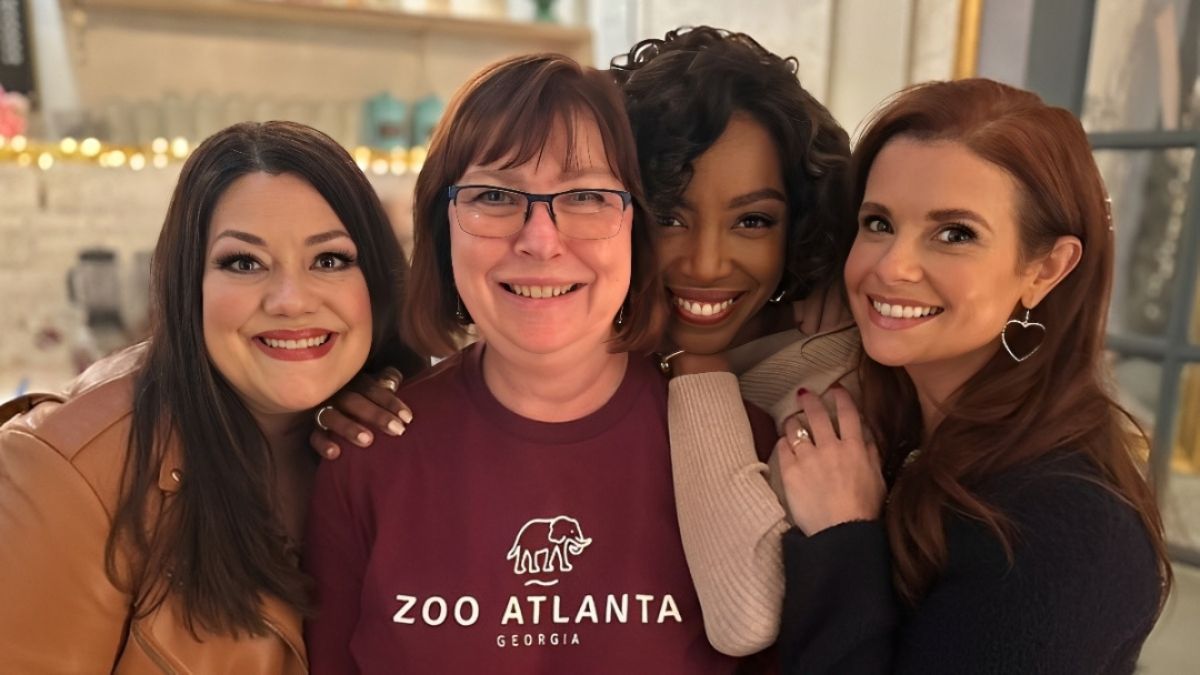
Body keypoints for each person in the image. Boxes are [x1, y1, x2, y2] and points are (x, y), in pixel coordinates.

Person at [308, 27, 857, 656]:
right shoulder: (365, 454)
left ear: (628, 225)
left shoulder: (760, 441)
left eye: (586, 196)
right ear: (441, 226)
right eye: (494, 195)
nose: (541, 240)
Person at [774, 78, 1171, 673]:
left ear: (1045, 269)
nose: (892, 266)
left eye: (954, 234)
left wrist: (841, 535)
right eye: (878, 223)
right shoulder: (905, 429)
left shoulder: (1067, 528)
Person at [0, 120, 421, 672]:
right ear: (187, 285)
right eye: (243, 263)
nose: (291, 300)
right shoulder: (65, 470)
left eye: (330, 260)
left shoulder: (393, 442)